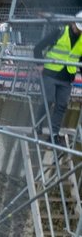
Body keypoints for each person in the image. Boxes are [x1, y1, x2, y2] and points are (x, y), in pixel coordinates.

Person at [33, 12, 82, 146]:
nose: (78, 30)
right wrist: (39, 65)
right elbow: (37, 48)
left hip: (67, 78)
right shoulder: (60, 31)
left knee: (61, 105)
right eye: (78, 27)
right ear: (72, 23)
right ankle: (38, 124)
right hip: (50, 73)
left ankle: (53, 134)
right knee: (49, 100)